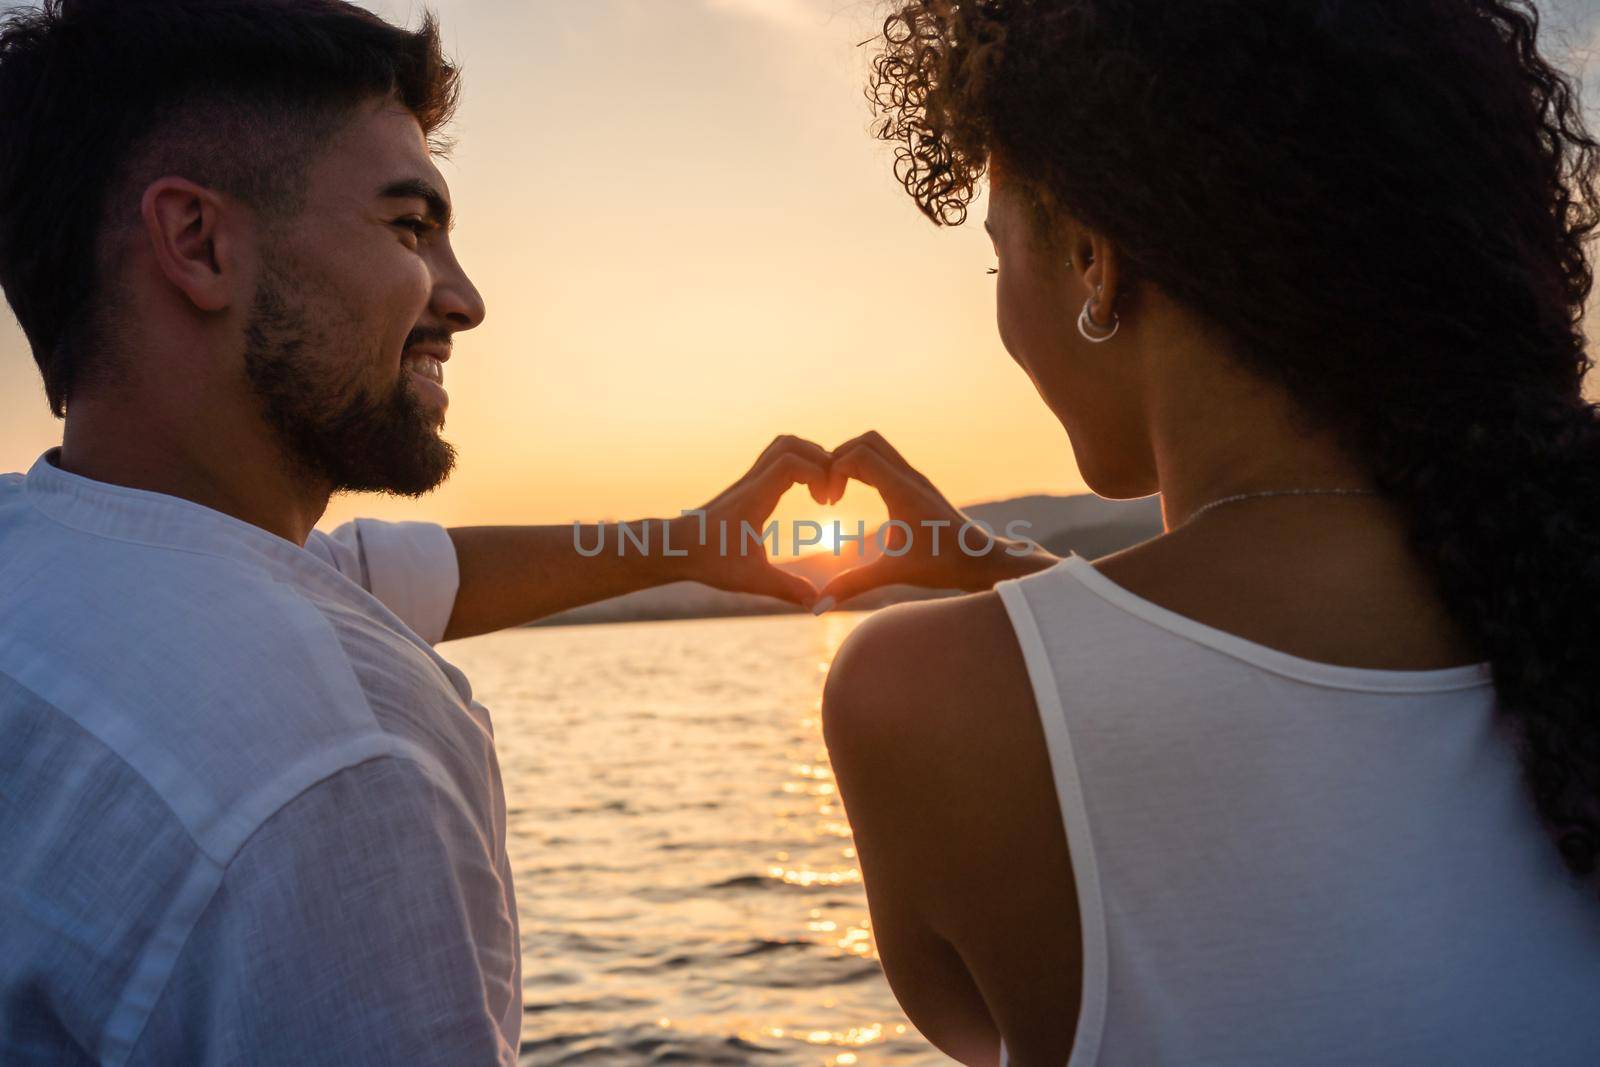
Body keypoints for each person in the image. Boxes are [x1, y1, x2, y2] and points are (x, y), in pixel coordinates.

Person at [0, 1, 857, 1062]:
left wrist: (683, 542)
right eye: (411, 226)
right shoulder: (337, 761)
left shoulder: (49, 560)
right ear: (197, 242)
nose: (466, 298)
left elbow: (387, 577)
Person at [819, 2, 1600, 1065]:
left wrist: (1027, 618)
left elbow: (982, 1022)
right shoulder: (1553, 581)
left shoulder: (921, 696)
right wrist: (1012, 576)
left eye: (998, 261)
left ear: (1093, 259)